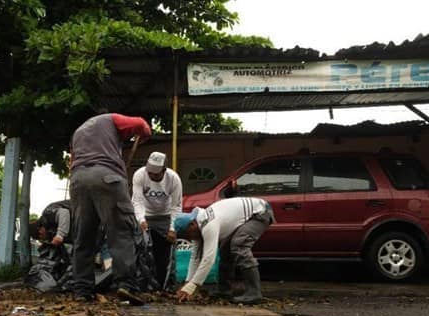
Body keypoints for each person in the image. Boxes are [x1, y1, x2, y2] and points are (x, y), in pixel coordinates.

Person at [69, 113, 152, 304]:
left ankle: (83, 290)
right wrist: (145, 133)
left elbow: (73, 159)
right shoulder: (111, 119)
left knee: (83, 237)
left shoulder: (78, 131)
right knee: (121, 233)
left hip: (79, 180)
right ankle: (125, 285)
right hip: (107, 177)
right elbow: (141, 125)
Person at [173, 197, 275, 304]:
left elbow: (209, 258)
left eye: (188, 235)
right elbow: (195, 257)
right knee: (224, 250)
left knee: (239, 245)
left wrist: (193, 286)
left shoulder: (208, 224)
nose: (190, 239)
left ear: (192, 225)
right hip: (249, 215)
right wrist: (187, 283)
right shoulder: (197, 225)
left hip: (260, 212)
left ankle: (254, 293)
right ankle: (225, 290)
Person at [131, 151, 182, 288]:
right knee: (142, 250)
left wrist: (172, 228)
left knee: (167, 252)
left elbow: (176, 206)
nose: (152, 176)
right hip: (145, 215)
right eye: (150, 173)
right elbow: (137, 201)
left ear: (164, 170)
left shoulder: (173, 179)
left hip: (165, 216)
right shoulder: (140, 175)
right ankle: (142, 284)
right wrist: (141, 219)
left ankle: (167, 285)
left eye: (156, 174)